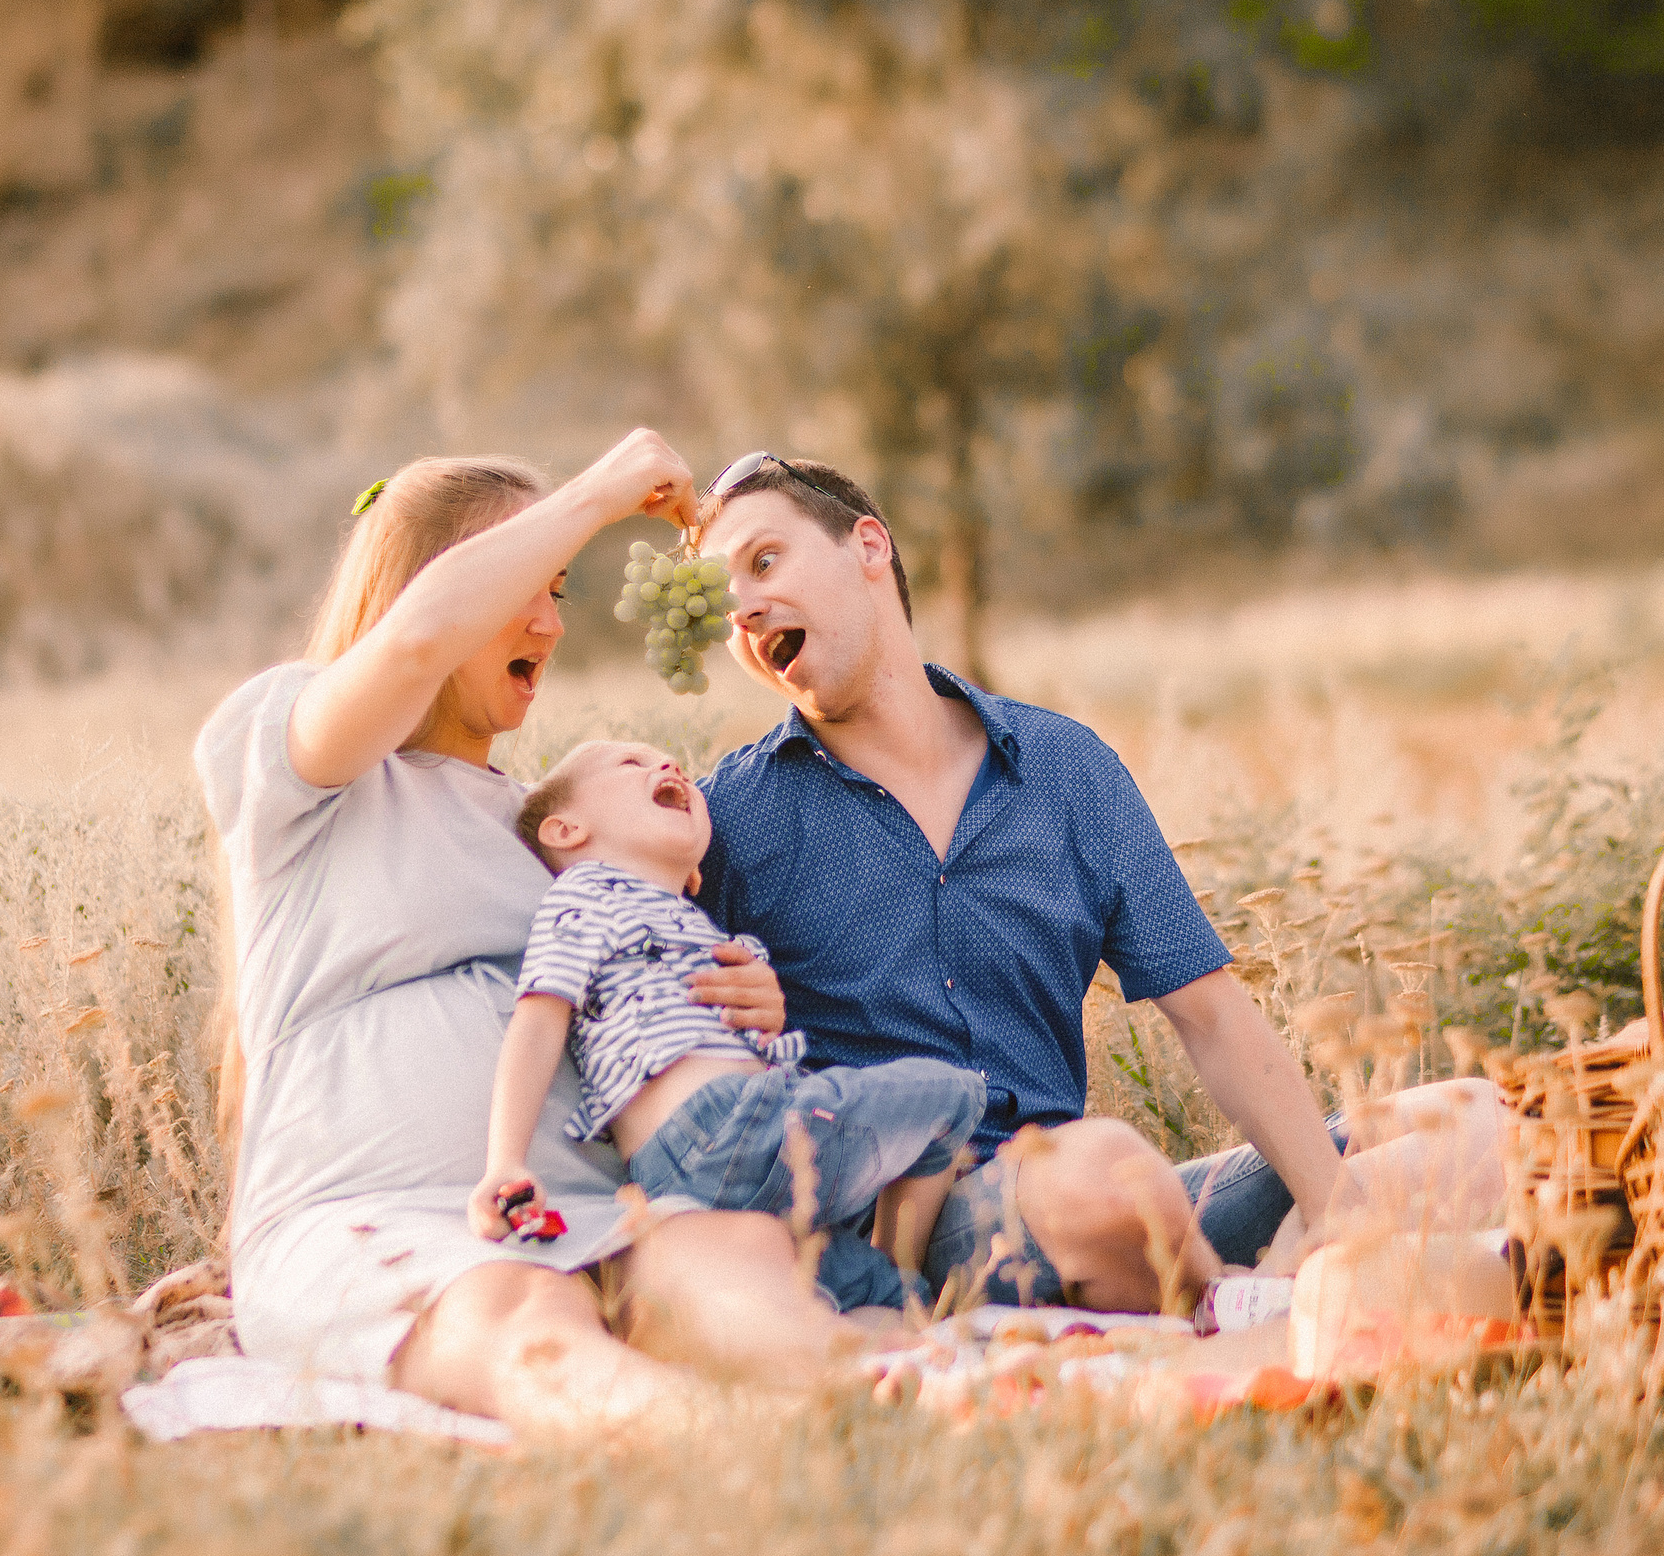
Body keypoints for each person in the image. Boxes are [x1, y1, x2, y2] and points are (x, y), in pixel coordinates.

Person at [693, 454, 1489, 1314]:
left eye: (764, 560)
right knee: (1099, 1170)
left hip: (1116, 1206)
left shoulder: (1065, 770)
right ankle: (1258, 1308)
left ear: (870, 548)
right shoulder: (727, 820)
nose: (742, 607)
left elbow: (1214, 1016)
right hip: (923, 1235)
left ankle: (1298, 1280)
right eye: (719, 601)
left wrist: (1334, 1206)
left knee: (1475, 1120)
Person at [196, 433, 848, 1434]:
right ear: (428, 591)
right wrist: (596, 493)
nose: (549, 622)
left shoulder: (548, 822)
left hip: (583, 1209)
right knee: (520, 1314)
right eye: (523, 586)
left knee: (726, 1268)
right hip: (373, 1218)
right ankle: (724, 1452)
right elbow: (414, 645)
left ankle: (903, 1411)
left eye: (559, 591)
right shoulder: (292, 762)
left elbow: (619, 991)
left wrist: (732, 1002)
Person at [465, 737, 986, 1310]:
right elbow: (537, 1022)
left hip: (697, 1172)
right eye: (631, 762)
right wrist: (506, 1162)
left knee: (876, 1298)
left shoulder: (694, 926)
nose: (670, 766)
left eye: (673, 763)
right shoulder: (589, 895)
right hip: (722, 1126)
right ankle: (902, 1260)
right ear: (566, 831)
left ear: (693, 873)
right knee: (953, 1094)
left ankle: (900, 1347)